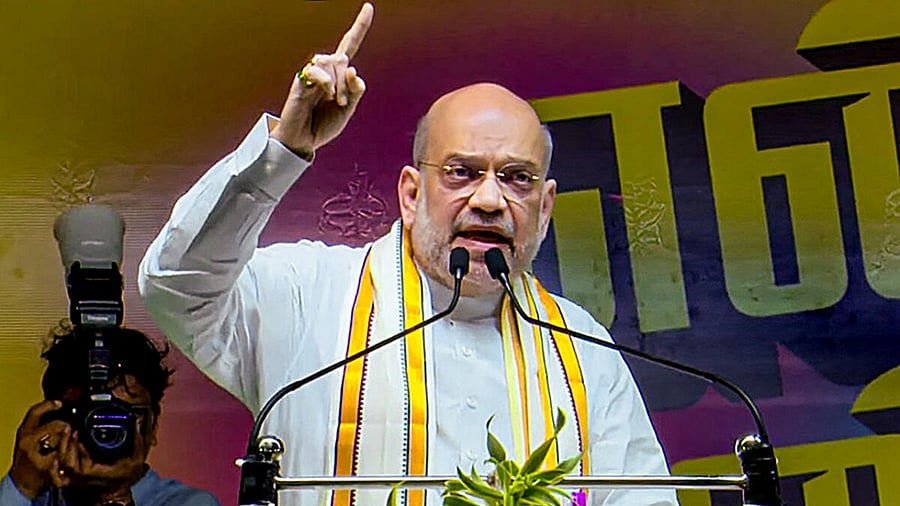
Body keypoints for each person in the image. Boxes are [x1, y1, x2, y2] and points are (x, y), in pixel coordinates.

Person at [138, 3, 678, 505]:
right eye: (462, 173)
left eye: (516, 179)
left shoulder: (581, 349)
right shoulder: (310, 296)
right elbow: (176, 284)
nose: (489, 200)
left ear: (544, 208)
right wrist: (282, 152)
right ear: (412, 194)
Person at [1, 324, 221, 506]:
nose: (105, 430)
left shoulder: (187, 503)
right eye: (92, 414)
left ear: (152, 425)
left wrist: (115, 497)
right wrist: (21, 486)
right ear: (55, 417)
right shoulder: (32, 499)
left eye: (122, 415)